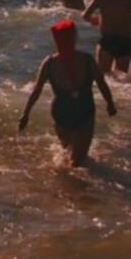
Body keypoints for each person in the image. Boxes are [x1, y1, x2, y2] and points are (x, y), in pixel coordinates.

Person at [18, 19, 117, 167]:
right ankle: (77, 180)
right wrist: (110, 104)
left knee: (67, 153)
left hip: (61, 113)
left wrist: (25, 114)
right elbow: (101, 83)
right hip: (84, 111)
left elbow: (37, 90)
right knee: (78, 160)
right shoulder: (87, 60)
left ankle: (64, 178)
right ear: (74, 37)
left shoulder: (49, 63)